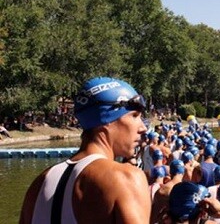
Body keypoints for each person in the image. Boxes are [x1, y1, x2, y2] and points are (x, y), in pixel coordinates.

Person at [19, 77, 150, 223]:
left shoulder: (39, 183)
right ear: (107, 120)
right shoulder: (126, 178)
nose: (143, 128)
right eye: (134, 116)